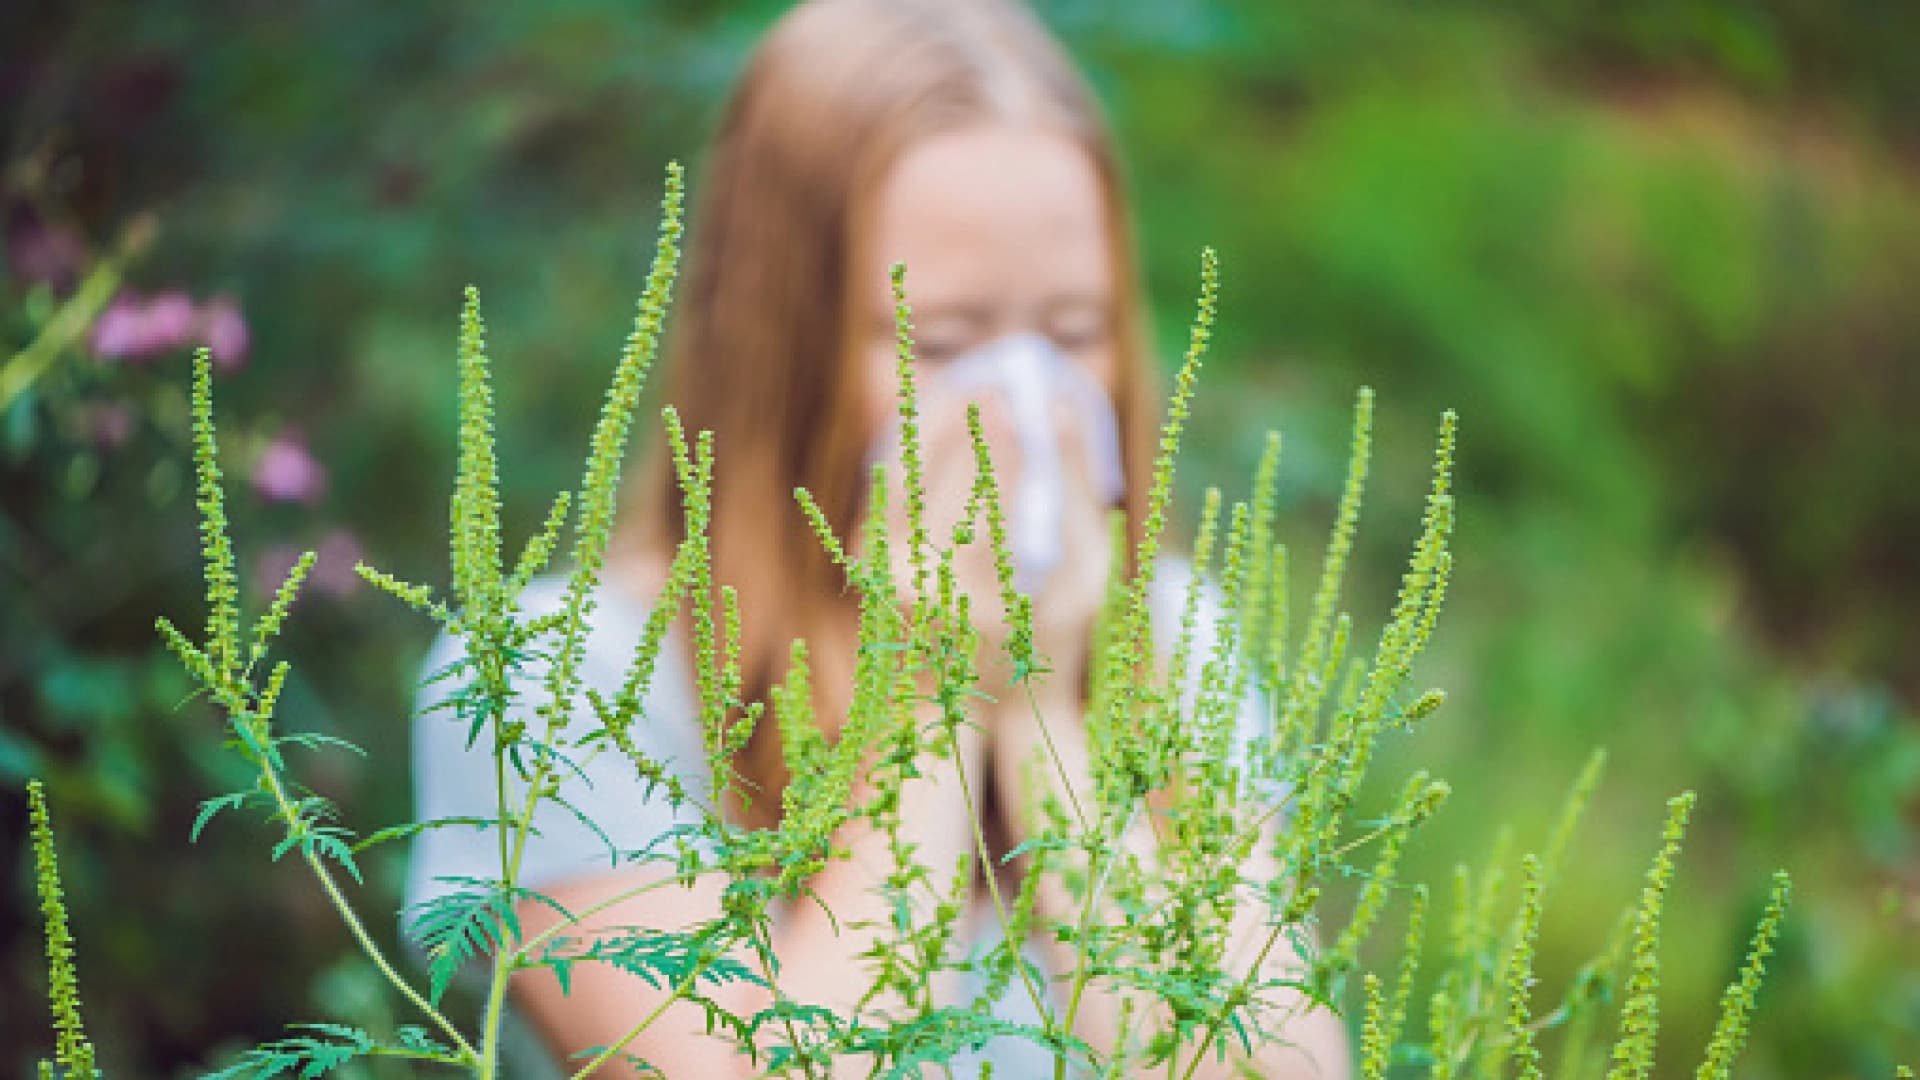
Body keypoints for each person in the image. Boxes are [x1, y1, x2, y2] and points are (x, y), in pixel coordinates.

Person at [407, 0, 1352, 1075]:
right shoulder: (562, 682)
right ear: (782, 347)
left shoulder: (1178, 639)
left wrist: (1041, 707)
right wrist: (935, 694)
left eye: (1075, 331)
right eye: (942, 341)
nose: (1019, 403)